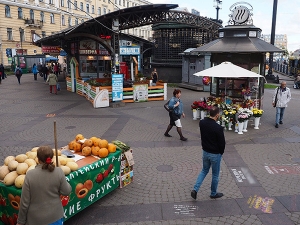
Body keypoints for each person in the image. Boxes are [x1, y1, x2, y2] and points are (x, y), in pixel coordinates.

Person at [17, 146, 72, 225]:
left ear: (38, 159)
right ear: (52, 158)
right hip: (55, 216)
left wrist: (20, 222)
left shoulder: (30, 175)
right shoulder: (58, 171)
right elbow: (66, 191)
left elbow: (24, 202)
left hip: (36, 220)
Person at [191, 106, 225, 200]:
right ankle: (213, 193)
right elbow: (222, 143)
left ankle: (195, 189)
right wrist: (220, 153)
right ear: (217, 115)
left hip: (205, 151)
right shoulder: (218, 128)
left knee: (204, 170)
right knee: (215, 174)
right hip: (215, 154)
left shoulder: (202, 122)